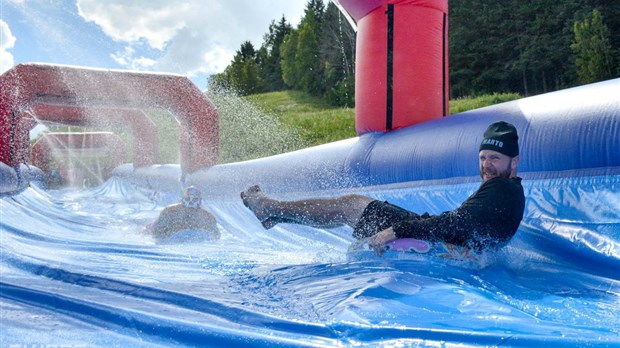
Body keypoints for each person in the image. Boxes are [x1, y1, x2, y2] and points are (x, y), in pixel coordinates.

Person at [241, 121, 525, 255]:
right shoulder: (511, 192)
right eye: (483, 157)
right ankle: (276, 215)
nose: (486, 165)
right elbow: (472, 230)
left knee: (350, 206)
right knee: (352, 209)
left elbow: (457, 223)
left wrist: (396, 230)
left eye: (495, 159)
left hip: (438, 243)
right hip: (448, 244)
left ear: (514, 161)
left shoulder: (501, 189)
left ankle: (269, 208)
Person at [147, 186, 220, 240]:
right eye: (188, 199)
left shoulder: (207, 216)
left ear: (199, 201)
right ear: (182, 200)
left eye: (194, 199)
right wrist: (171, 231)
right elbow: (156, 232)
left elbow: (216, 236)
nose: (191, 202)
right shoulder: (170, 211)